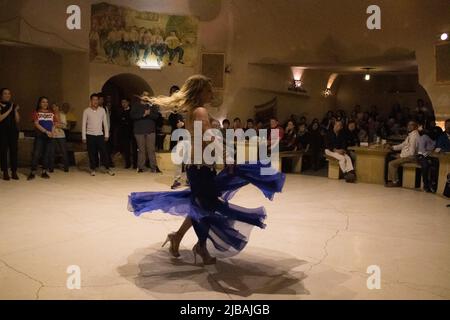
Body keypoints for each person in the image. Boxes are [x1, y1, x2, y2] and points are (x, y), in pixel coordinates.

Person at [128, 74, 286, 265]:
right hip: (200, 168)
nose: (212, 93)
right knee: (207, 208)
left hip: (201, 167)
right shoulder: (200, 111)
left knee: (200, 205)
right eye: (209, 90)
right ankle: (200, 247)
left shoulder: (197, 111)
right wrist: (227, 156)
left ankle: (178, 237)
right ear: (200, 91)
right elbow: (207, 137)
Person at [82, 93, 115, 177]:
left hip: (100, 135)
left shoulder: (102, 110)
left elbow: (105, 123)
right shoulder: (86, 111)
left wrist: (106, 134)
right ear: (91, 101)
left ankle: (107, 168)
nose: (95, 101)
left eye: (97, 100)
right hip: (90, 135)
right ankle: (93, 169)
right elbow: (83, 125)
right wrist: (83, 137)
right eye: (94, 100)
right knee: (92, 153)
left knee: (104, 152)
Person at [130, 92, 161, 173]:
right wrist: (143, 115)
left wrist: (149, 113)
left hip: (150, 131)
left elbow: (156, 116)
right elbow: (132, 116)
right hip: (139, 131)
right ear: (141, 96)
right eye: (144, 95)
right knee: (141, 150)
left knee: (151, 150)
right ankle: (140, 167)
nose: (146, 97)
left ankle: (154, 167)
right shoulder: (136, 105)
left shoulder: (152, 105)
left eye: (147, 95)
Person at [28, 97, 55, 180]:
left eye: (46, 102)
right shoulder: (36, 112)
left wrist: (52, 132)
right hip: (40, 135)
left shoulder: (51, 113)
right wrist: (46, 132)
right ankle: (32, 172)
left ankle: (44, 172)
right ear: (40, 103)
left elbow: (53, 124)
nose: (45, 103)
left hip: (49, 136)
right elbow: (36, 124)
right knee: (36, 154)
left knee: (46, 154)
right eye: (43, 102)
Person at [385, 121, 419, 187]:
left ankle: (395, 182)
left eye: (411, 125)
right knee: (390, 157)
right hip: (407, 156)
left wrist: (401, 156)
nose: (409, 126)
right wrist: (392, 147)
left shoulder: (414, 136)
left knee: (391, 164)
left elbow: (412, 152)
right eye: (408, 125)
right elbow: (402, 145)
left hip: (411, 157)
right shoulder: (411, 135)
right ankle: (391, 180)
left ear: (415, 127)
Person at [0, 88, 20, 180]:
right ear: (1, 95)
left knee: (14, 152)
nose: (7, 95)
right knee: (3, 152)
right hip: (2, 132)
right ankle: (5, 172)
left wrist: (15, 111)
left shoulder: (13, 105)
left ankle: (14, 171)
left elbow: (17, 120)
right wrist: (9, 110)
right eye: (5, 93)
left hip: (13, 131)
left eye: (9, 93)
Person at [416, 124, 438, 193]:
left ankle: (433, 183)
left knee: (435, 166)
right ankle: (426, 185)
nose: (434, 133)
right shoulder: (424, 137)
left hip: (432, 156)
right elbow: (422, 149)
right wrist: (428, 158)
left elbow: (435, 149)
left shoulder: (436, 139)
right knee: (425, 165)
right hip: (422, 156)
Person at [117, 98, 137, 169]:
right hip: (124, 133)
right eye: (122, 102)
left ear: (128, 103)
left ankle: (135, 164)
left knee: (134, 149)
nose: (123, 104)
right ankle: (127, 163)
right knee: (126, 149)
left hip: (133, 132)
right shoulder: (120, 112)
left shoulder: (132, 111)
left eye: (125, 102)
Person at [50, 103, 69, 172]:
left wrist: (57, 125)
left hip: (61, 135)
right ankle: (51, 168)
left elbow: (65, 126)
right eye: (53, 107)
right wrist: (58, 124)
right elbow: (50, 125)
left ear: (58, 107)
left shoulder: (62, 115)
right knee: (52, 151)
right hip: (53, 134)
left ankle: (66, 167)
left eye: (55, 106)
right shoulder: (50, 115)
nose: (54, 108)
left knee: (64, 151)